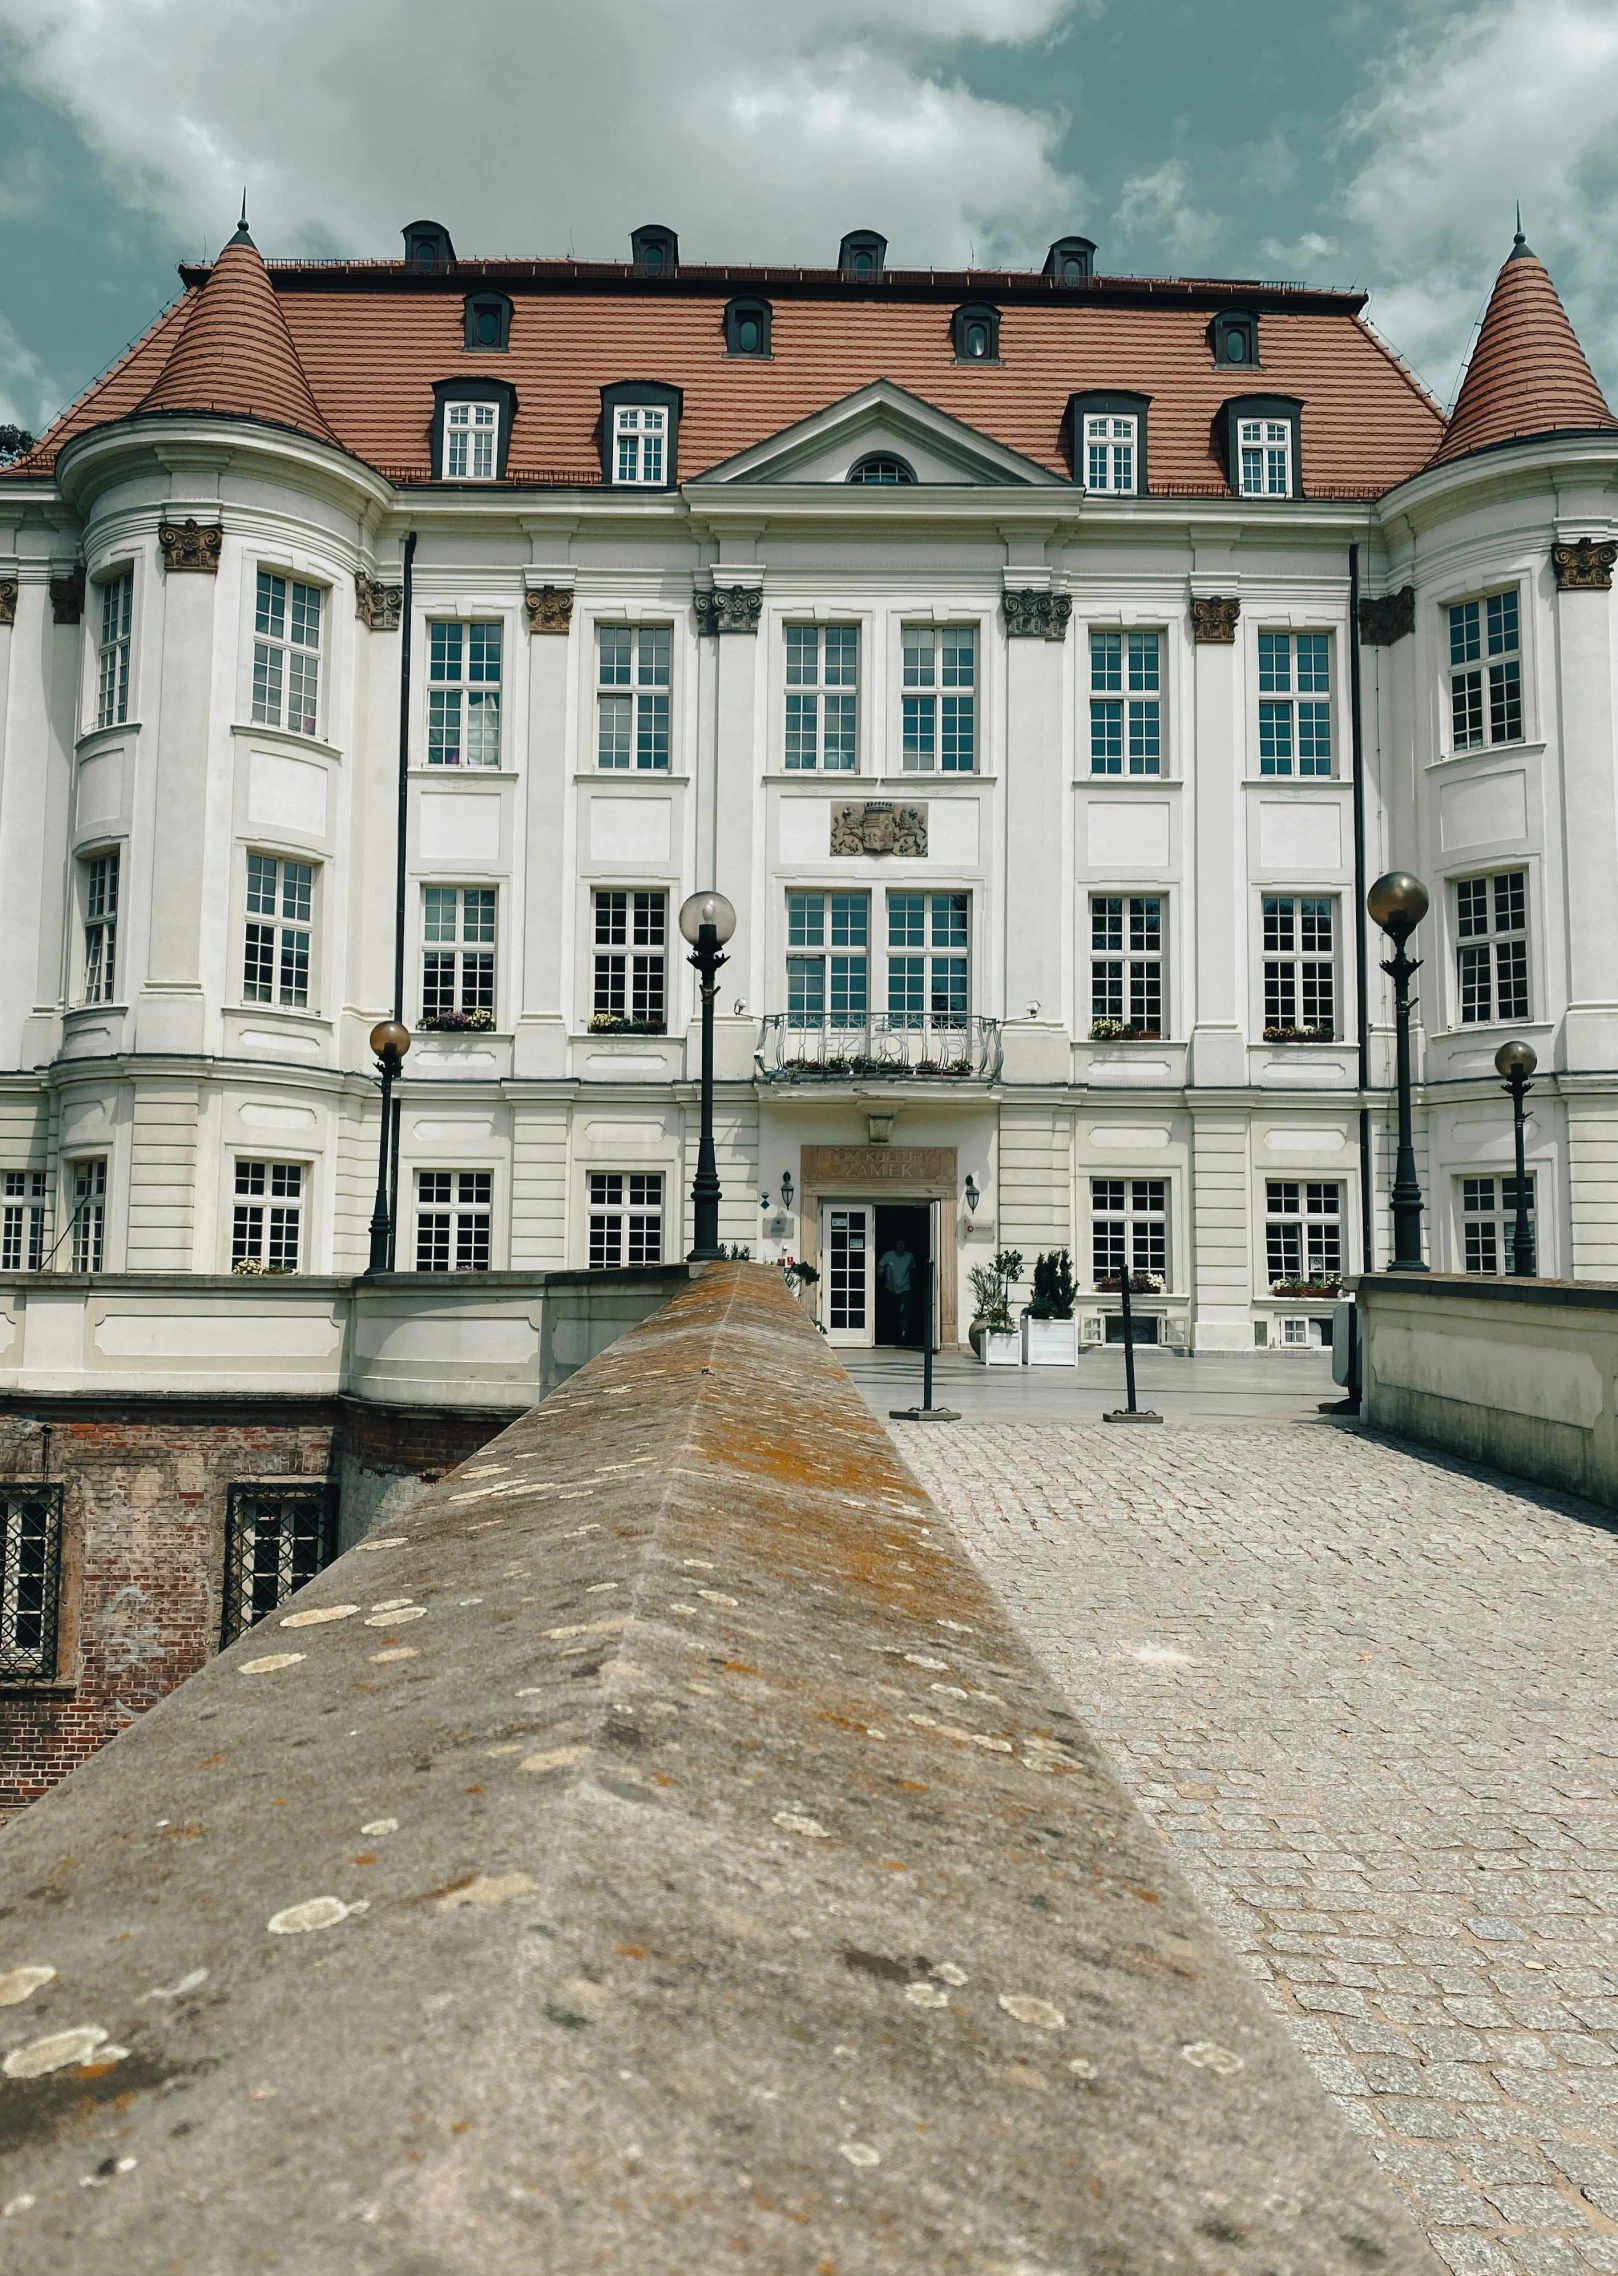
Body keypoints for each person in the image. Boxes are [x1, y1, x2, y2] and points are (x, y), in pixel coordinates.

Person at [877, 1234, 916, 1342]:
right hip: (890, 1289)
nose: (901, 1246)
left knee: (904, 1311)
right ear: (894, 1245)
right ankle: (891, 1333)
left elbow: (913, 1269)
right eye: (898, 1243)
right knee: (892, 1311)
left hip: (905, 1288)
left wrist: (909, 1280)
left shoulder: (909, 1256)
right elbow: (879, 1268)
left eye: (903, 1243)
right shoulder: (888, 1255)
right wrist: (880, 1271)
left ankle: (904, 1333)